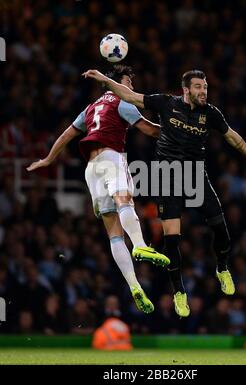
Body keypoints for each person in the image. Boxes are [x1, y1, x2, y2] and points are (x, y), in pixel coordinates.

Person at [83, 68, 246, 317]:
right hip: (165, 176)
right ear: (186, 89)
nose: (203, 92)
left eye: (205, 87)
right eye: (198, 87)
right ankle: (179, 293)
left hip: (195, 176)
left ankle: (222, 267)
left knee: (221, 230)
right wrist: (107, 81)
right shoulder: (165, 102)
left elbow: (233, 137)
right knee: (172, 239)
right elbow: (130, 96)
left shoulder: (211, 113)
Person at [27, 65, 170, 314]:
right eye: (128, 82)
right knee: (125, 202)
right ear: (116, 83)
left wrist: (49, 159)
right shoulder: (122, 101)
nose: (131, 88)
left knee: (113, 232)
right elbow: (148, 129)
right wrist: (177, 132)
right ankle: (139, 244)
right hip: (112, 158)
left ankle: (134, 285)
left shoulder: (90, 107)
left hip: (91, 169)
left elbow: (66, 135)